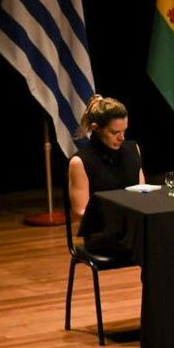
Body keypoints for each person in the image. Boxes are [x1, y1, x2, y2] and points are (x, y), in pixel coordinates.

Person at [69, 95, 145, 254]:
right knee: (156, 245)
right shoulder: (81, 161)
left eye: (124, 131)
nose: (121, 138)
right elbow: (80, 213)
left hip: (133, 228)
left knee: (168, 235)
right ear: (96, 128)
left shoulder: (132, 149)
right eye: (114, 132)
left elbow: (142, 192)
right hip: (103, 234)